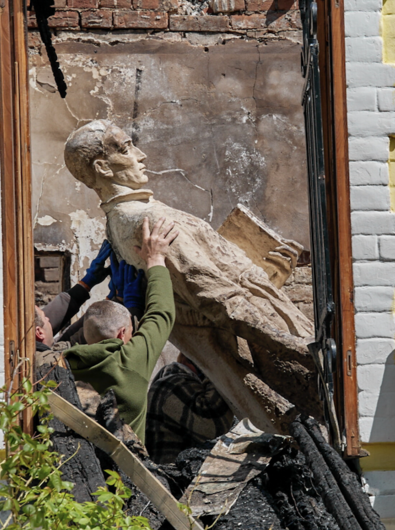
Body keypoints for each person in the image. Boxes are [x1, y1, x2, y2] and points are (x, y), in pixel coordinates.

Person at [62, 120, 323, 429]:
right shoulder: (149, 222)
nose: (141, 155)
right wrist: (307, 350)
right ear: (104, 167)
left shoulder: (119, 224)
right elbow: (222, 302)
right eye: (127, 148)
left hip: (253, 345)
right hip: (271, 351)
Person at [63, 217, 179, 439]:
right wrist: (155, 259)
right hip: (123, 471)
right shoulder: (129, 363)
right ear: (122, 334)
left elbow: (68, 336)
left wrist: (108, 296)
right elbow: (161, 313)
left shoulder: (61, 362)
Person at [145, 354, 235, 464]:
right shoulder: (171, 386)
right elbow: (216, 425)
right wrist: (214, 372)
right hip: (168, 476)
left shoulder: (175, 382)